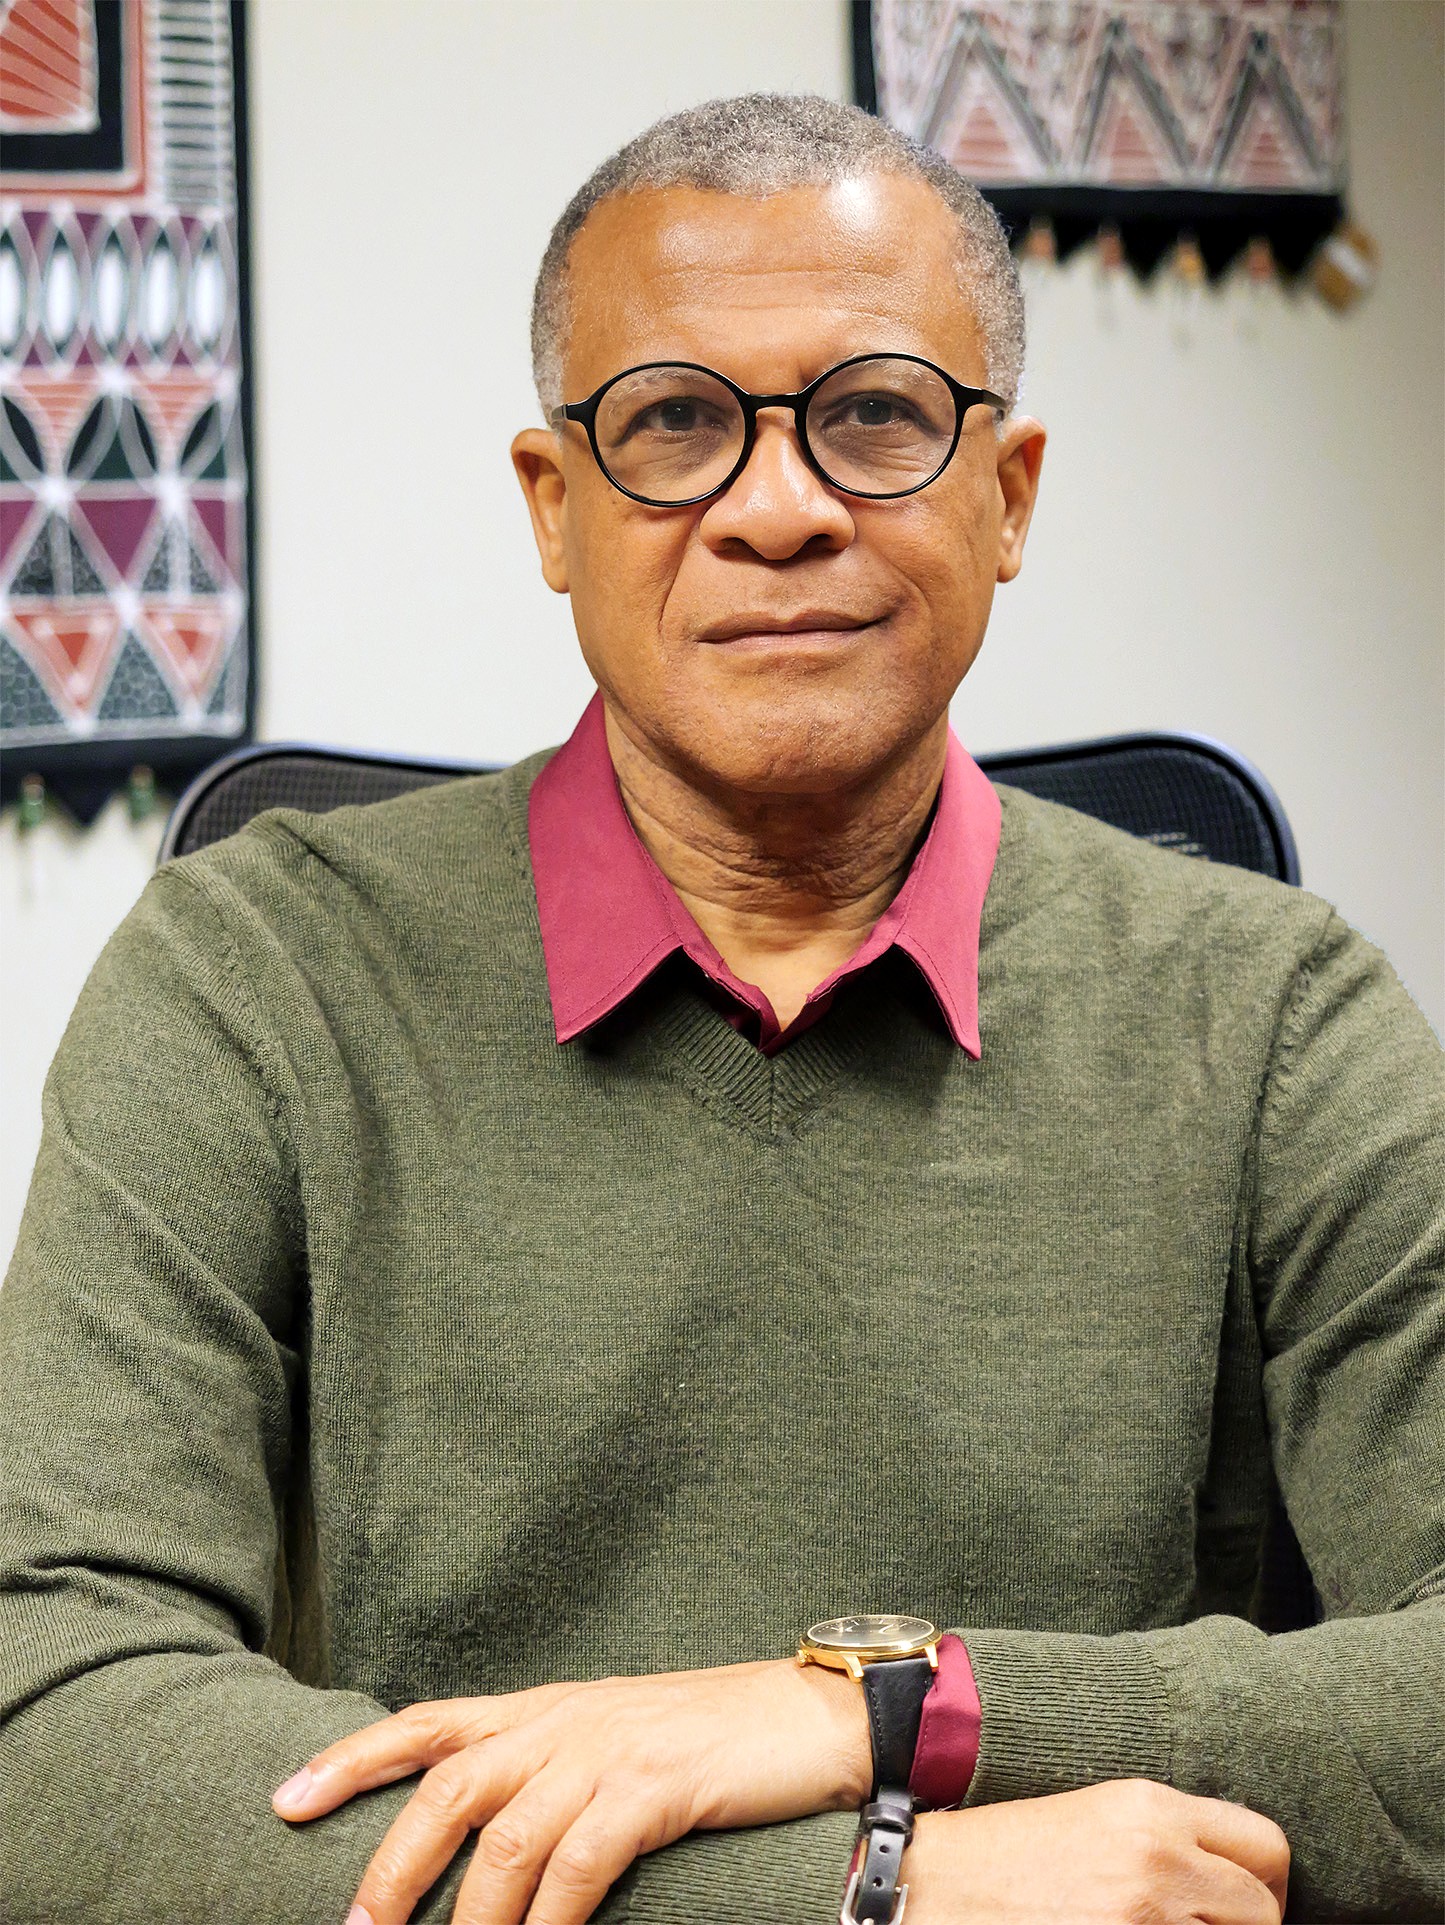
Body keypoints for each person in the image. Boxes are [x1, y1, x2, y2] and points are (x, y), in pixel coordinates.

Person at [0, 92, 1441, 1925]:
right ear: (556, 507)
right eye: (674, 422)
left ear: (1007, 496)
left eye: (877, 416)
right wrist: (871, 1893)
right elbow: (53, 1731)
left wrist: (885, 1712)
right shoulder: (247, 977)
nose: (777, 509)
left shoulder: (1278, 1012)